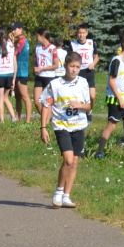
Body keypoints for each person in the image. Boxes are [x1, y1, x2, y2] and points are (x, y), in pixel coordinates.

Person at [40, 50, 92, 208]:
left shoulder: (83, 82)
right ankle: (58, 191)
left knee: (74, 162)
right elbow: (46, 105)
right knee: (68, 159)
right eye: (72, 66)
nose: (74, 69)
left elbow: (89, 106)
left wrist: (80, 106)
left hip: (78, 125)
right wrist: (43, 127)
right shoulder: (55, 85)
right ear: (65, 66)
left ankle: (66, 196)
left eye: (77, 66)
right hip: (61, 125)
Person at [94, 32, 124, 157]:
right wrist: (120, 98)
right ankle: (100, 151)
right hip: (115, 98)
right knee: (111, 126)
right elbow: (112, 81)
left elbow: (123, 80)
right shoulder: (117, 61)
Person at [0, 26, 19, 123]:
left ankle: (2, 120)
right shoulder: (11, 45)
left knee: (0, 98)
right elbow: (14, 60)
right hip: (9, 74)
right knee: (6, 97)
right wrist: (14, 77)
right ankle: (13, 117)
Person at [33, 29, 62, 98]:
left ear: (42, 36)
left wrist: (42, 68)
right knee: (37, 101)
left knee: (48, 102)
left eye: (37, 36)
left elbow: (56, 65)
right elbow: (36, 61)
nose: (36, 37)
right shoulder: (37, 47)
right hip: (39, 77)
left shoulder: (53, 48)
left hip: (49, 77)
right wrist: (35, 67)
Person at [12, 24, 32, 121]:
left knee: (24, 95)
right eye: (12, 30)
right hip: (17, 71)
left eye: (14, 29)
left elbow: (14, 53)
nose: (13, 31)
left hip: (22, 72)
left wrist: (11, 42)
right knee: (17, 96)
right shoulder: (18, 41)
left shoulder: (22, 41)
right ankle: (18, 117)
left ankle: (28, 120)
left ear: (20, 29)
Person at [69, 23, 97, 88]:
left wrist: (93, 64)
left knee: (92, 96)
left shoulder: (91, 43)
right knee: (78, 92)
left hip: (89, 70)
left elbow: (96, 57)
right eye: (79, 33)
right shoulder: (73, 44)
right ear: (77, 33)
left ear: (86, 33)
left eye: (83, 33)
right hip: (78, 70)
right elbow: (69, 59)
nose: (81, 35)